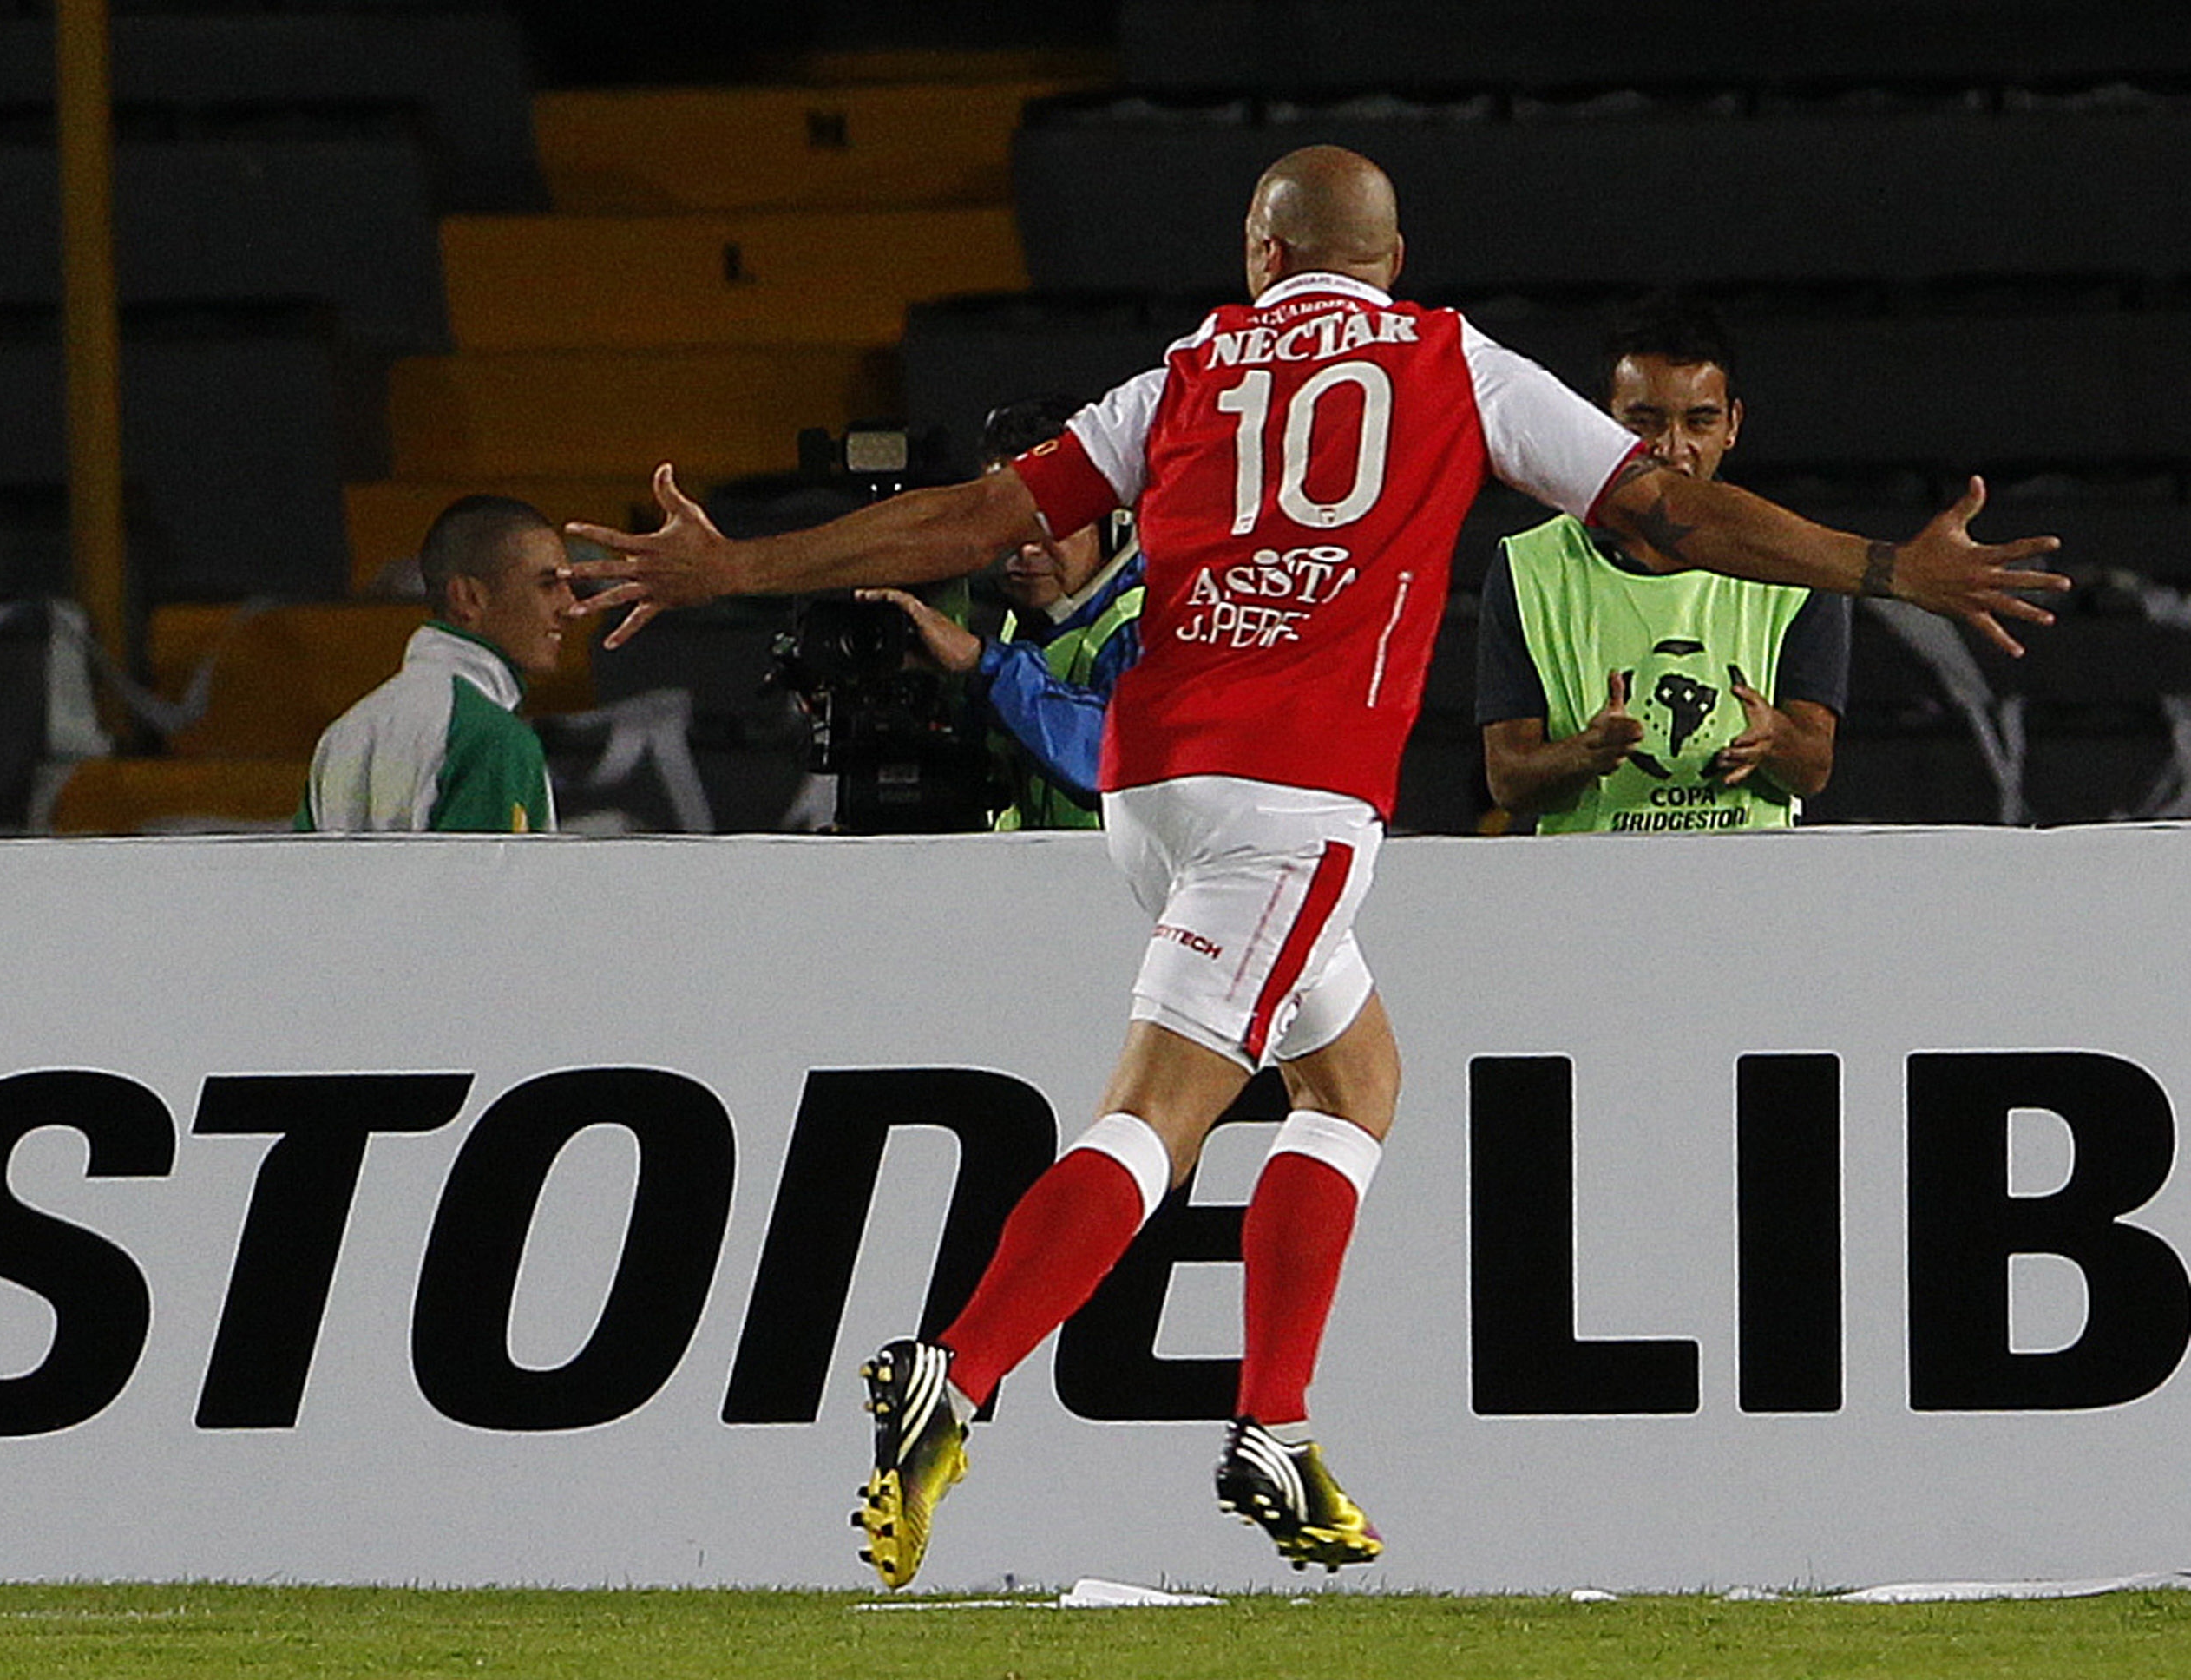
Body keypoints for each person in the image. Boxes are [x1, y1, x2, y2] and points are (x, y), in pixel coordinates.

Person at [564, 145, 2059, 1586]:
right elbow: (1666, 507)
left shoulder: (1187, 372)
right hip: (1288, 798)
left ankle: (1271, 1424)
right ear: (1392, 261)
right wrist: (1885, 566)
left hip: (1150, 780)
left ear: (1259, 256)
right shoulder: (1451, 361)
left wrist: (735, 566)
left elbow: (973, 517)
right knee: (1155, 1121)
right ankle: (957, 1374)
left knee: (1356, 1084)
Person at [1479, 295, 1849, 832]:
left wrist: (1776, 738)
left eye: (1699, 422)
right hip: (1588, 893)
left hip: (1753, 890)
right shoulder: (1527, 567)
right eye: (1644, 422)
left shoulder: (1795, 561)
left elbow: (1814, 767)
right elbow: (1509, 781)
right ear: (1600, 420)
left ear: (1732, 425)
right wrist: (1585, 752)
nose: (1673, 449)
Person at [856, 395, 1147, 830]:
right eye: (1004, 527)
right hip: (1033, 885)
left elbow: (1112, 758)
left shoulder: (1161, 617)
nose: (1026, 549)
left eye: (1049, 523)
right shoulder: (1024, 621)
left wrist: (983, 663)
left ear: (1116, 520)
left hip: (1128, 894)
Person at [299, 493, 576, 833]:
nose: (570, 606)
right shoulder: (495, 740)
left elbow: (304, 882)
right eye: (548, 585)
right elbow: (489, 886)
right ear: (468, 597)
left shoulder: (344, 733)